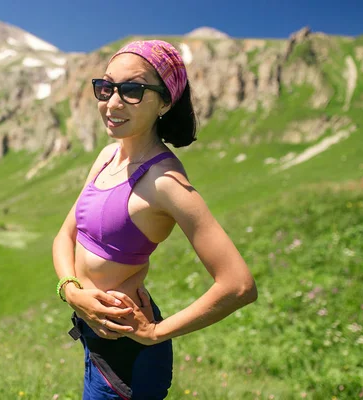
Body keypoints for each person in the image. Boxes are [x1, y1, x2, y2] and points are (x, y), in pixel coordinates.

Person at [52, 40, 258, 399]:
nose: (112, 103)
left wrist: (155, 334)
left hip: (130, 359)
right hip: (93, 337)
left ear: (165, 102)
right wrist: (71, 292)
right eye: (106, 87)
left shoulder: (166, 183)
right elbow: (64, 237)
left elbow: (239, 285)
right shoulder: (105, 157)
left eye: (132, 90)